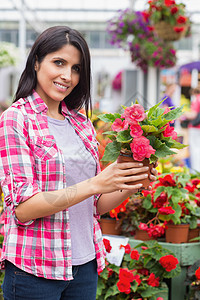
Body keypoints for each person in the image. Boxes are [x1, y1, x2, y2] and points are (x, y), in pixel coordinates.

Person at [0, 26, 157, 300]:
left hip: (84, 266)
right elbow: (23, 210)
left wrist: (130, 184)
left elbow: (94, 203)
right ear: (36, 62)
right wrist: (95, 182)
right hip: (36, 270)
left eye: (76, 68)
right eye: (59, 62)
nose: (67, 76)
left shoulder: (80, 122)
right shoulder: (16, 119)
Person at [180, 87, 200, 172]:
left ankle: (196, 170)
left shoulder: (197, 99)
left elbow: (193, 115)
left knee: (195, 149)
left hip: (195, 128)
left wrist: (182, 114)